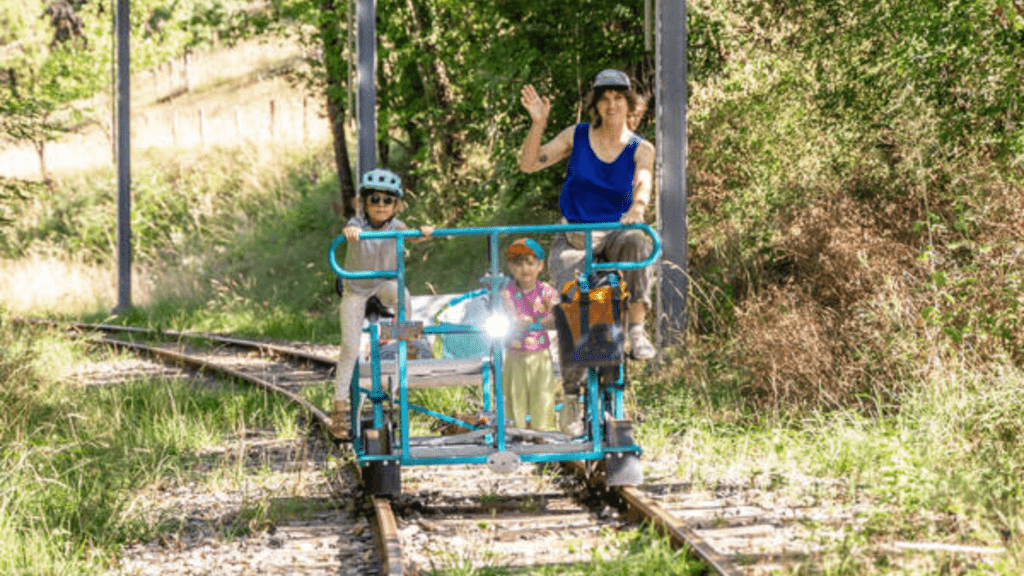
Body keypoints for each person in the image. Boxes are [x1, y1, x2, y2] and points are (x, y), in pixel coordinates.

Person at [518, 68, 657, 361]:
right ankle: (573, 350)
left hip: (616, 229)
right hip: (576, 236)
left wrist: (637, 208)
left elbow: (644, 182)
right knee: (574, 294)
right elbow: (529, 164)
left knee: (637, 241)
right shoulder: (577, 135)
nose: (611, 105)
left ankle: (637, 330)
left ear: (628, 103)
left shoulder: (640, 147)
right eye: (604, 98)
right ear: (595, 104)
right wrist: (538, 123)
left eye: (618, 98)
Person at [332, 168, 433, 438]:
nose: (380, 205)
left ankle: (401, 341)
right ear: (364, 203)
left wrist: (422, 232)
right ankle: (340, 407)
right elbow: (350, 228)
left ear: (396, 205)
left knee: (403, 295)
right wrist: (351, 231)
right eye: (374, 199)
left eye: (387, 200)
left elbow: (412, 233)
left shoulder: (397, 227)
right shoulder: (358, 224)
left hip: (382, 283)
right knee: (350, 348)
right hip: (356, 287)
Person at [500, 238, 561, 431]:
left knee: (542, 393)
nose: (524, 268)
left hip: (538, 352)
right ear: (510, 267)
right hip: (515, 353)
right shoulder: (508, 291)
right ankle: (516, 430)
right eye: (518, 264)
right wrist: (517, 321)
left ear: (540, 266)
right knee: (514, 393)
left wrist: (544, 320)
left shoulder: (546, 291)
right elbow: (510, 312)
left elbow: (556, 313)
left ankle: (541, 431)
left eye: (530, 263)